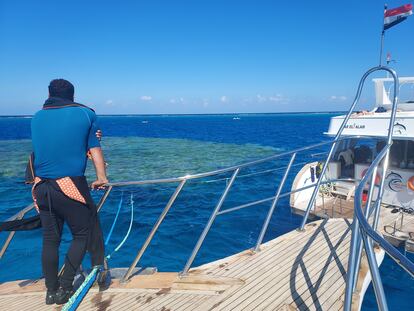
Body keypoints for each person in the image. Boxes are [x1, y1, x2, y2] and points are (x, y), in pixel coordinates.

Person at [31, 79, 109, 305]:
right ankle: (65, 286)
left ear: (48, 93)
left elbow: (55, 145)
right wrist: (102, 177)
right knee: (83, 234)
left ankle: (51, 291)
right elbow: (94, 148)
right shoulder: (86, 114)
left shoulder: (36, 117)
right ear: (73, 95)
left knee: (50, 240)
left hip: (41, 187)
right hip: (69, 185)